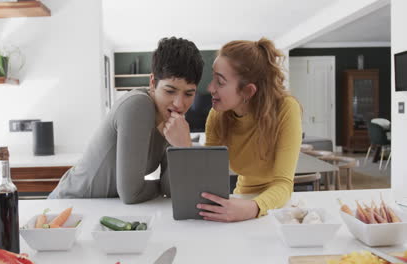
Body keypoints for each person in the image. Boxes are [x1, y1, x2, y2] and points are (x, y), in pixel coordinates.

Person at [48, 37, 204, 203]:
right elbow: (131, 194)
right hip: (69, 205)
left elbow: (170, 189)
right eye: (170, 91)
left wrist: (183, 149)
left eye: (189, 93)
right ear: (153, 82)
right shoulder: (138, 105)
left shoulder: (173, 120)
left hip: (101, 209)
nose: (179, 103)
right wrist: (157, 186)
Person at [198, 38, 302, 222]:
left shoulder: (286, 109)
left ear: (247, 91)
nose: (210, 88)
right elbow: (208, 177)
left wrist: (253, 208)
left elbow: (284, 184)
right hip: (242, 199)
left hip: (277, 206)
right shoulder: (217, 115)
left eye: (220, 82)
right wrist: (182, 145)